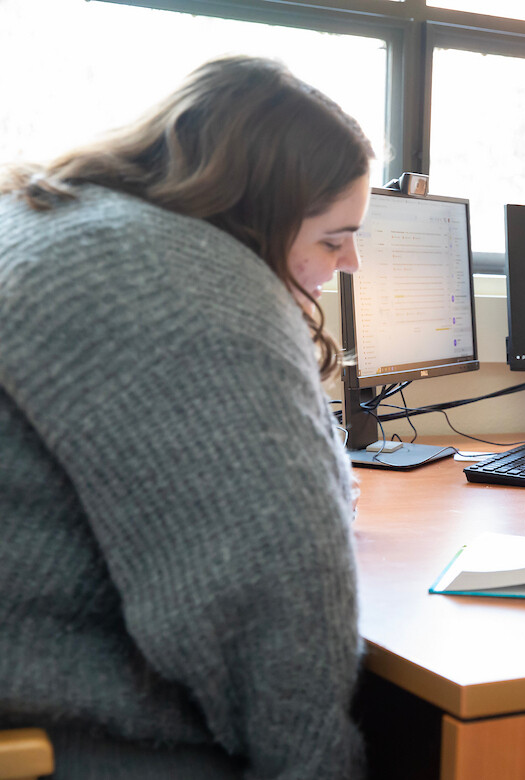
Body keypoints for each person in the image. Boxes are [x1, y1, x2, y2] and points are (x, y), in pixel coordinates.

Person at [0, 57, 372, 777]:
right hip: (53, 737)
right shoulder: (172, 283)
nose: (351, 261)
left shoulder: (57, 218)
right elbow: (275, 594)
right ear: (260, 209)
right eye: (332, 237)